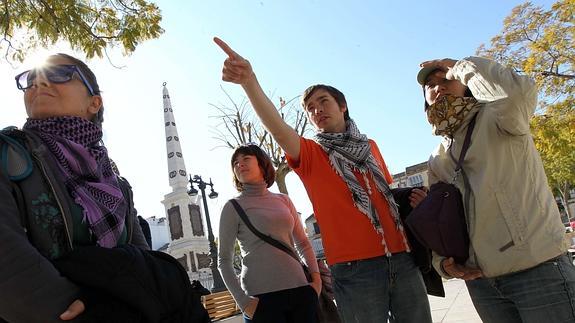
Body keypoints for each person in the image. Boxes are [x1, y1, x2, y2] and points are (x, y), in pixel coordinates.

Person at [215, 37, 432, 323]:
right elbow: (279, 129)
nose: (317, 110)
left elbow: (385, 196)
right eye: (310, 108)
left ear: (342, 106)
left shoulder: (371, 147)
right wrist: (250, 82)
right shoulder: (311, 154)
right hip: (355, 270)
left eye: (323, 102)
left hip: (402, 259)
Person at [0, 53, 206, 323]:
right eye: (30, 78)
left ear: (94, 103)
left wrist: (108, 301)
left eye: (59, 74)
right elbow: (9, 266)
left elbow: (140, 268)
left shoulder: (117, 186)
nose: (39, 81)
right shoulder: (8, 156)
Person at [417, 56, 575, 322]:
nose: (439, 87)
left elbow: (517, 92)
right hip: (482, 284)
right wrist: (443, 263)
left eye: (446, 79)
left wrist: (462, 66)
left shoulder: (499, 116)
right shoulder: (438, 156)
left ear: (464, 83)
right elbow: (441, 219)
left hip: (536, 270)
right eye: (430, 85)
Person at [218, 143, 321, 323]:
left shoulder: (284, 200)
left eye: (246, 159)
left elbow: (303, 243)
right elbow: (223, 260)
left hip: (301, 292)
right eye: (235, 163)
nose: (239, 164)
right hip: (261, 299)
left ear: (261, 163)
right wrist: (244, 303)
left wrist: (316, 282)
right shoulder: (232, 207)